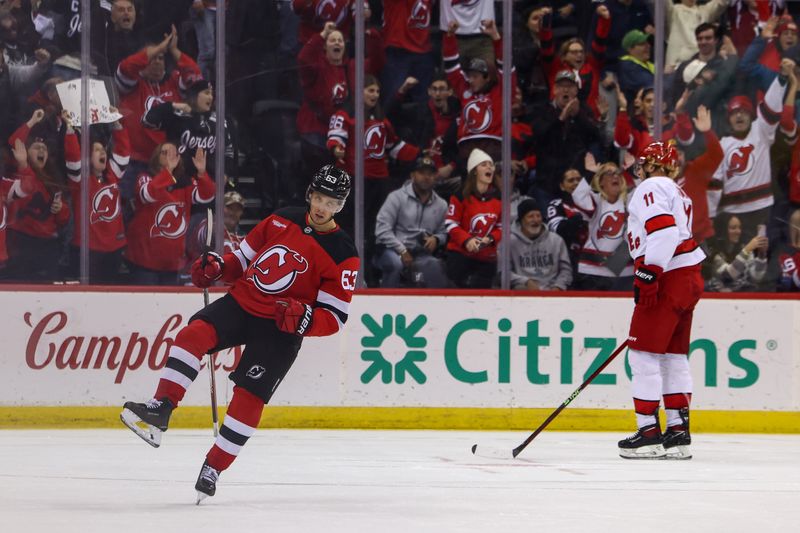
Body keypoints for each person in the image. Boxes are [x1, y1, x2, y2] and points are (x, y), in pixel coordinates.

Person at [120, 165, 360, 502]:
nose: (321, 207)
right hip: (244, 302)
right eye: (318, 197)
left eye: (331, 202)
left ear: (340, 206)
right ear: (310, 194)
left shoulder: (344, 253)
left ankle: (213, 467)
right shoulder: (281, 219)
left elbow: (334, 316)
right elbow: (242, 261)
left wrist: (305, 319)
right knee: (193, 335)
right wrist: (219, 268)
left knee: (249, 397)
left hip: (281, 327)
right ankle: (161, 408)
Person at [618, 140, 706, 460]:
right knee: (673, 355)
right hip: (688, 275)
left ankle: (648, 434)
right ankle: (678, 433)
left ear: (654, 166)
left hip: (668, 274)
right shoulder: (677, 191)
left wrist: (648, 273)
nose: (638, 169)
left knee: (642, 354)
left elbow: (665, 232)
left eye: (643, 163)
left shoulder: (651, 186)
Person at [124, 142, 214, 285]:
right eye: (165, 152)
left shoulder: (185, 183)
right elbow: (147, 194)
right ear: (156, 157)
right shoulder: (146, 178)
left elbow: (207, 196)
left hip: (172, 262)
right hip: (145, 261)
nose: (170, 156)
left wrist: (202, 173)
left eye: (173, 153)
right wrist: (168, 172)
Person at [63, 109, 130, 284]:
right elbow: (73, 160)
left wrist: (116, 124)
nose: (103, 153)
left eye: (103, 149)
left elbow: (123, 154)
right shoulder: (80, 180)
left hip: (113, 248)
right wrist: (70, 130)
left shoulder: (112, 175)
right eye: (97, 150)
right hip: (88, 250)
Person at [373, 156, 448, 288]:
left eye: (430, 174)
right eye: (422, 173)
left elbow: (444, 231)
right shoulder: (396, 197)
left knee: (435, 266)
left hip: (421, 253)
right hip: (391, 250)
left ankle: (431, 307)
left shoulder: (441, 204)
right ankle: (385, 301)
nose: (426, 177)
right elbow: (382, 229)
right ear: (412, 175)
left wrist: (436, 239)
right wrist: (401, 250)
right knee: (395, 264)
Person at [444, 148, 501, 288]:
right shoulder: (460, 196)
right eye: (484, 164)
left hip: (486, 257)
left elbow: (502, 226)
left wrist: (491, 238)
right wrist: (467, 240)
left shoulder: (499, 198)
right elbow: (451, 223)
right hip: (460, 256)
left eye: (491, 164)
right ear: (474, 171)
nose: (489, 167)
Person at [508, 199, 572, 291]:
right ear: (521, 220)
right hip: (521, 293)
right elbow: (503, 272)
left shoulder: (556, 240)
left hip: (552, 294)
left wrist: (558, 286)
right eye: (530, 216)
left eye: (538, 216)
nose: (536, 220)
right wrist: (526, 281)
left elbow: (566, 270)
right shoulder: (510, 242)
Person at [705, 213, 768, 292]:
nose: (738, 231)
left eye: (739, 227)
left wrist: (761, 254)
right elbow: (728, 275)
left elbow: (755, 277)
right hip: (717, 298)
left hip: (741, 296)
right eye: (733, 228)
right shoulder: (714, 251)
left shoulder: (742, 248)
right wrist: (747, 249)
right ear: (722, 230)